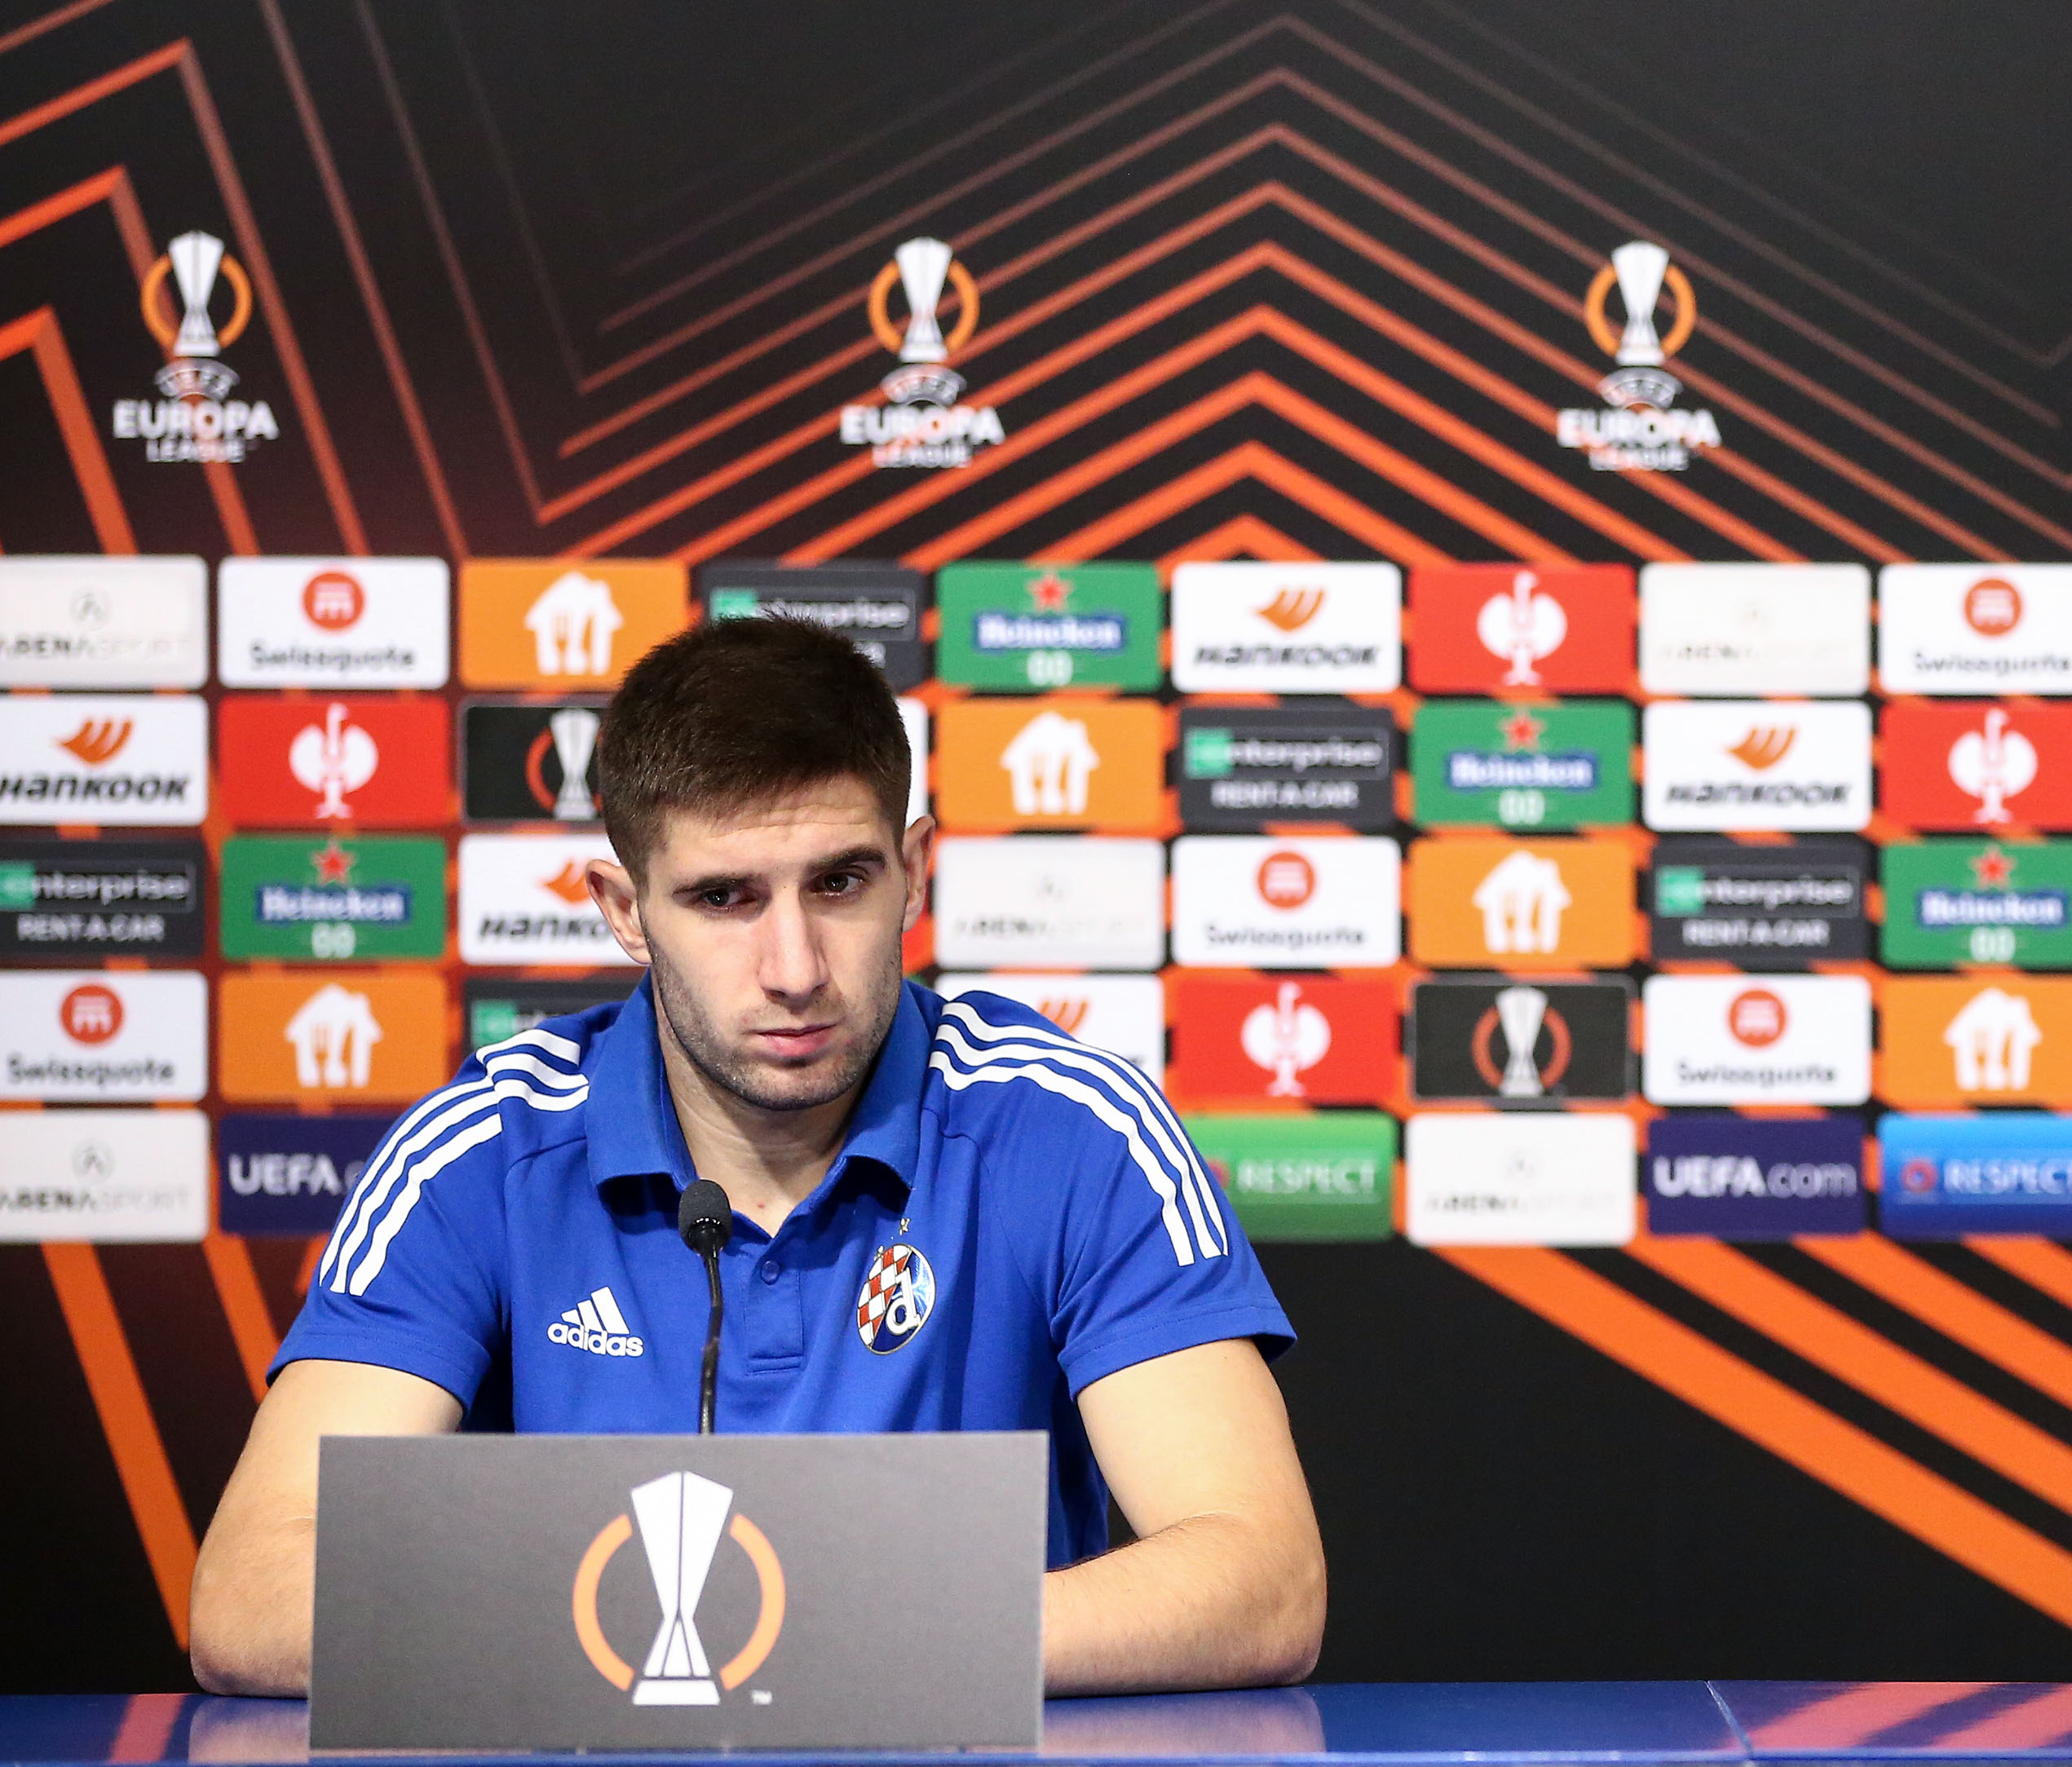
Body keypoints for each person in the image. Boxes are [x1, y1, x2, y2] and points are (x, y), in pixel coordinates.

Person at [192, 617, 1323, 1697]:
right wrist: (692, 1650)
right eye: (724, 898)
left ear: (914, 868)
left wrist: (769, 1640)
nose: (795, 969)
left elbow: (1263, 1582)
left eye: (839, 883)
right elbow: (250, 1599)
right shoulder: (481, 1155)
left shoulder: (1072, 1131)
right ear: (623, 909)